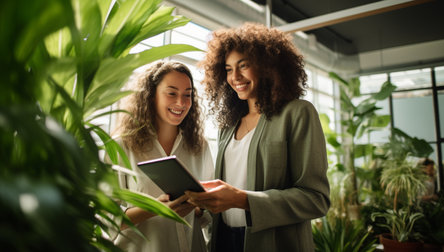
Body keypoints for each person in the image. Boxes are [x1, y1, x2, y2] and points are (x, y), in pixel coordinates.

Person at [185, 23, 330, 252]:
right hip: (223, 241)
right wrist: (203, 201)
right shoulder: (228, 125)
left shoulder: (297, 113)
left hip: (274, 245)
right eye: (229, 69)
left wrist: (241, 199)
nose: (235, 77)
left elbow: (316, 199)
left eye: (244, 66)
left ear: (267, 67)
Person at [109, 60, 214, 252]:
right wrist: (153, 208)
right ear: (150, 96)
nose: (181, 103)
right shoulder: (120, 146)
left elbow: (208, 214)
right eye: (172, 93)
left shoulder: (200, 146)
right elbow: (107, 219)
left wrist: (199, 207)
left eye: (187, 95)